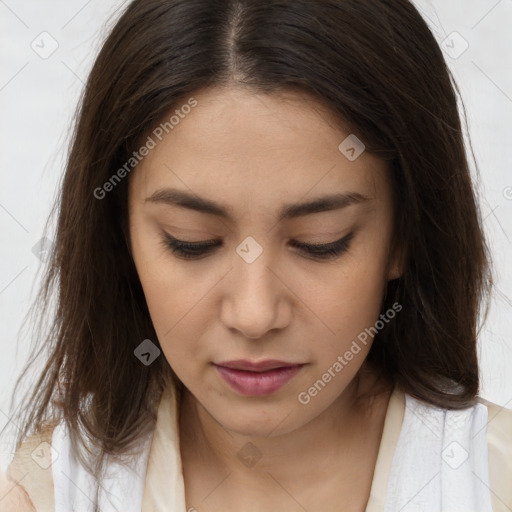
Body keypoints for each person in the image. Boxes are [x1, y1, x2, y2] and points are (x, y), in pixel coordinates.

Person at [1, 0, 511, 511]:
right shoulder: (47, 493)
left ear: (405, 234)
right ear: (121, 235)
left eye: (321, 242)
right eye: (190, 241)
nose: (254, 315)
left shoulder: (493, 479)